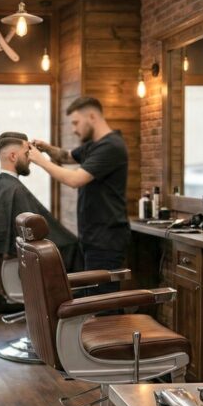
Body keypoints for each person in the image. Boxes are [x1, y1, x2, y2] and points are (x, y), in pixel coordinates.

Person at [29, 97, 129, 295]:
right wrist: (47, 149)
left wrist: (41, 161)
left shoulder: (111, 147)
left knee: (102, 303)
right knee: (93, 297)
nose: (74, 129)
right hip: (94, 236)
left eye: (76, 122)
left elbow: (76, 179)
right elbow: (66, 156)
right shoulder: (95, 145)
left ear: (92, 116)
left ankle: (106, 327)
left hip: (106, 239)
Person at [0, 131, 82, 271]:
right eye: (27, 154)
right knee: (73, 245)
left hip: (3, 274)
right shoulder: (15, 191)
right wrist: (73, 244)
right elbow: (46, 239)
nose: (30, 160)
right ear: (13, 156)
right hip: (22, 273)